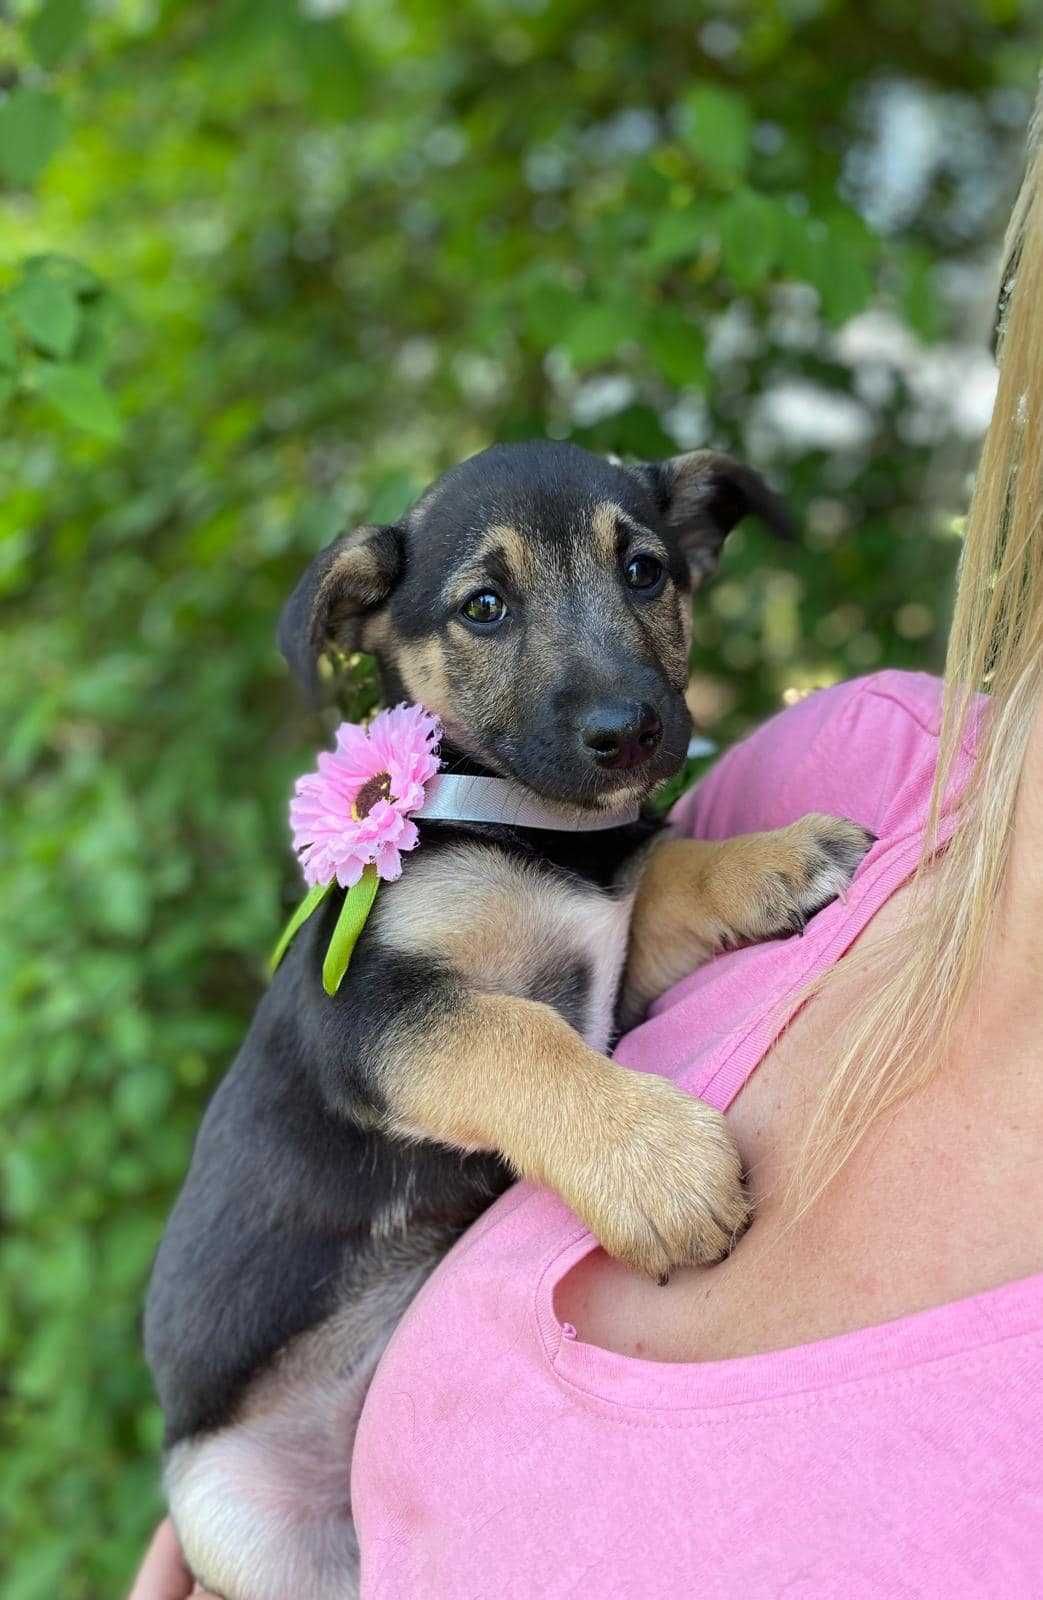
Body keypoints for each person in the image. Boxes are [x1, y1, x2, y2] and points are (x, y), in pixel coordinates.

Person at [131, 101, 1043, 1600]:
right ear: (384, 634)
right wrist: (595, 1120)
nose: (607, 672)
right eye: (491, 613)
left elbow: (620, 922)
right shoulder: (408, 870)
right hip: (271, 1425)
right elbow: (388, 1040)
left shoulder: (632, 839)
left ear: (694, 564)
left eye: (638, 580)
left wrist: (713, 883)